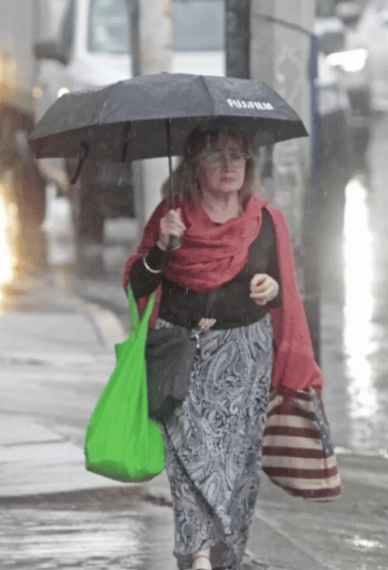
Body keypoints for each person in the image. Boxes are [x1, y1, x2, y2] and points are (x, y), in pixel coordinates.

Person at [122, 118, 322, 570]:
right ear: (194, 164)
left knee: (235, 471)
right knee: (191, 464)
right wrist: (162, 249)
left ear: (248, 162)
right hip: (182, 358)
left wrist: (270, 288)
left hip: (245, 362)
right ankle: (196, 557)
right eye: (215, 155)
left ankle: (221, 557)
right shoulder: (169, 218)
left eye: (236, 154)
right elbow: (138, 285)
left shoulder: (267, 220)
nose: (228, 165)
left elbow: (282, 287)